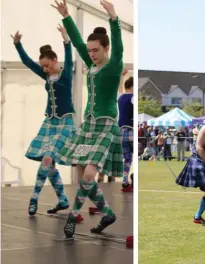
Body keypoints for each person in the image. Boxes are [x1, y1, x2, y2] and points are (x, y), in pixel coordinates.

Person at [52, 0, 124, 238]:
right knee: (83, 175)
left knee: (90, 175)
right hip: (88, 124)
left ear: (106, 49)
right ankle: (107, 213)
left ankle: (72, 217)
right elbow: (77, 42)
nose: (91, 54)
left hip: (105, 124)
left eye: (96, 50)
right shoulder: (90, 63)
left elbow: (119, 46)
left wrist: (113, 16)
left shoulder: (114, 66)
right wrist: (66, 16)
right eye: (90, 50)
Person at [11, 25, 82, 223]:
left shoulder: (66, 73)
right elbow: (27, 62)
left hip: (65, 123)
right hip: (49, 123)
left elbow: (69, 56)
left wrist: (66, 39)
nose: (44, 69)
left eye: (47, 65)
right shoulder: (46, 76)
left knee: (47, 159)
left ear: (54, 60)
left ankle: (34, 198)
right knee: (49, 165)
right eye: (43, 66)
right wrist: (17, 44)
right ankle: (63, 200)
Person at [118, 74, 134, 191]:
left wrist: (121, 77)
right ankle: (135, 178)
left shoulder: (120, 97)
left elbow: (119, 88)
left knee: (127, 159)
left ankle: (124, 180)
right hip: (131, 131)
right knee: (136, 157)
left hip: (121, 132)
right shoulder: (133, 98)